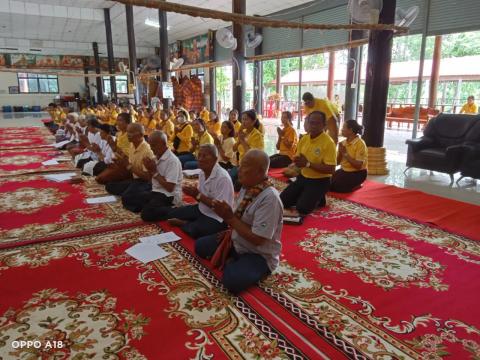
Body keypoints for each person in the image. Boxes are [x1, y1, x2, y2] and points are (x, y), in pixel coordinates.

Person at [195, 149, 283, 294]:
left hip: (258, 253)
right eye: (240, 165)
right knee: (200, 246)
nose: (239, 169)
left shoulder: (270, 199)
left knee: (231, 282)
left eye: (245, 166)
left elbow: (258, 240)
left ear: (260, 172)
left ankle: (235, 262)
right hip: (237, 241)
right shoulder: (247, 187)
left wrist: (229, 218)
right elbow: (237, 217)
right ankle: (233, 259)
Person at [166, 144, 234, 238]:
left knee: (195, 231)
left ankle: (186, 223)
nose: (200, 159)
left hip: (217, 217)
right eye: (199, 156)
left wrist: (197, 195)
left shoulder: (223, 178)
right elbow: (200, 199)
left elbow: (221, 209)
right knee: (173, 213)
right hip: (202, 208)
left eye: (204, 156)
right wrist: (194, 195)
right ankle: (192, 222)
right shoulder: (202, 173)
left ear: (215, 159)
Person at [118, 131, 183, 220]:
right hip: (155, 191)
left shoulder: (172, 160)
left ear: (163, 144)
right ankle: (152, 207)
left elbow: (170, 187)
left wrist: (154, 172)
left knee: (146, 214)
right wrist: (149, 169)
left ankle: (176, 210)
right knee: (127, 198)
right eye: (150, 145)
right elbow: (149, 179)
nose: (151, 148)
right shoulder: (155, 158)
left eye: (153, 145)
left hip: (169, 195)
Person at [280, 111, 336, 215]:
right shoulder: (304, 139)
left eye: (317, 123)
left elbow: (331, 169)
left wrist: (308, 164)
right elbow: (297, 159)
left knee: (302, 208)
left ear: (324, 125)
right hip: (303, 176)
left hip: (320, 180)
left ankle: (316, 196)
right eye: (311, 122)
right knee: (281, 201)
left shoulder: (329, 143)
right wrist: (296, 163)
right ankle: (314, 196)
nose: (313, 126)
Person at [105, 123, 155, 199]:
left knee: (127, 198)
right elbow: (126, 160)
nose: (128, 134)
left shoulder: (147, 151)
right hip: (134, 178)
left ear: (140, 134)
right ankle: (131, 192)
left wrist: (128, 166)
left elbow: (148, 177)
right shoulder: (132, 144)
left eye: (131, 132)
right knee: (109, 186)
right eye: (127, 132)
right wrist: (115, 150)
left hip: (145, 182)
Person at [330, 120, 368, 193]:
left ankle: (357, 185)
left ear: (350, 130)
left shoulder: (360, 144)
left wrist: (345, 153)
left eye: (344, 127)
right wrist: (340, 152)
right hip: (344, 171)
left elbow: (358, 166)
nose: (341, 129)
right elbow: (337, 163)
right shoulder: (343, 143)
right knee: (327, 183)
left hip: (358, 173)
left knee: (338, 188)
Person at [229, 110, 264, 185]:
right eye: (243, 119)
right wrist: (240, 139)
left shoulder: (257, 135)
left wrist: (243, 141)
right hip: (241, 164)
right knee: (228, 178)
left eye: (246, 119)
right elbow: (234, 149)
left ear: (253, 121)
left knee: (237, 184)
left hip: (251, 166)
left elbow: (253, 155)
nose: (243, 122)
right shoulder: (243, 132)